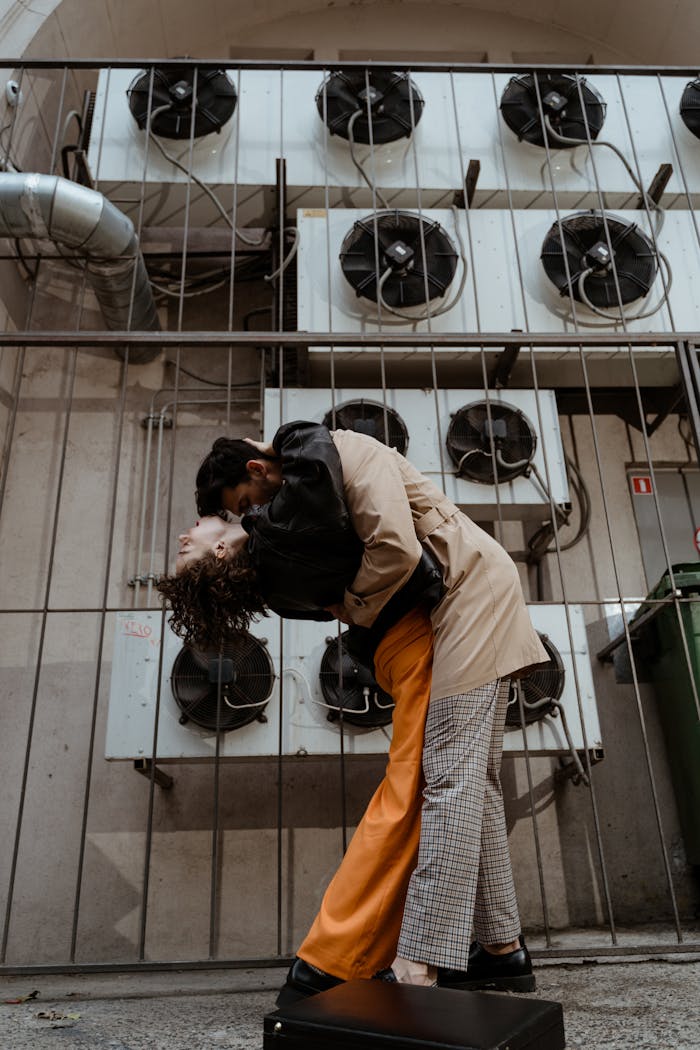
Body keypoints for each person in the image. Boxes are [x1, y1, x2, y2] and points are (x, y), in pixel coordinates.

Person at [194, 421, 548, 997]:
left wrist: (354, 610)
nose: (252, 512)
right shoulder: (317, 472)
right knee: (474, 783)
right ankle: (502, 950)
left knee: (450, 779)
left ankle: (419, 965)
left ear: (256, 471)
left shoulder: (350, 450)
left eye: (245, 501)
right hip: (461, 597)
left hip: (467, 593)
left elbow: (395, 550)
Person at [158, 422, 445, 1003]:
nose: (188, 531)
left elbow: (329, 607)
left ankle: (498, 947)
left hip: (387, 654)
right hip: (416, 642)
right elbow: (316, 465)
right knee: (415, 788)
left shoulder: (271, 583)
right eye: (196, 536)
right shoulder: (278, 532)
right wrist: (281, 439)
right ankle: (334, 954)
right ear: (221, 551)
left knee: (447, 787)